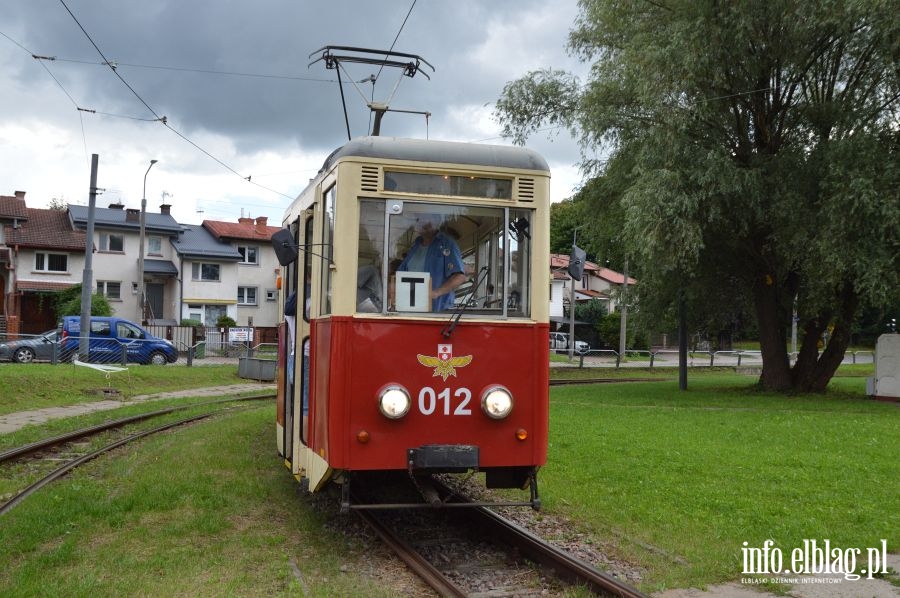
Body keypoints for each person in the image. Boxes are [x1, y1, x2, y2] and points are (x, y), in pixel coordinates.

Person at [397, 213, 466, 311]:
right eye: (418, 219)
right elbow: (401, 274)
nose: (421, 222)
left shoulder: (447, 244)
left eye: (425, 219)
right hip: (411, 307)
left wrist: (436, 293)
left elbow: (460, 277)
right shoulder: (415, 246)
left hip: (437, 311)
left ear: (436, 222)